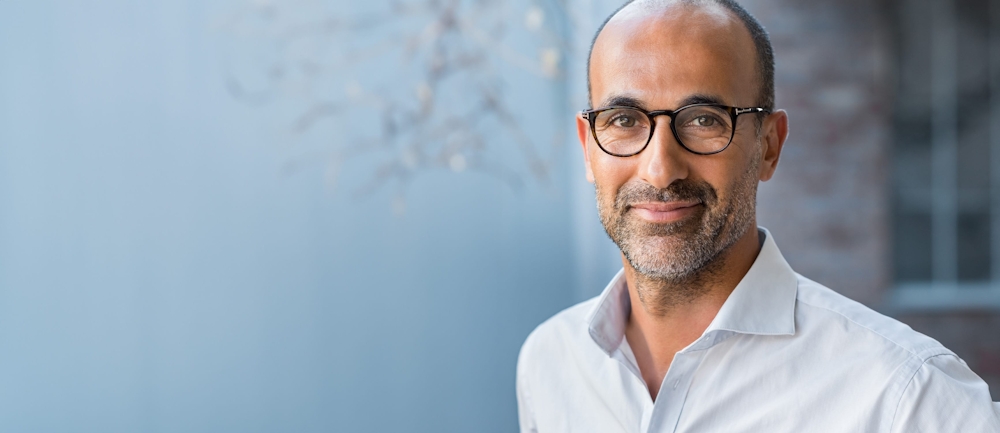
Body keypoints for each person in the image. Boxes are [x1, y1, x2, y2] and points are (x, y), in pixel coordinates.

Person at [514, 0, 1000, 431]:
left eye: (704, 120)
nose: (660, 171)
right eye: (624, 121)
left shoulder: (909, 397)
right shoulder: (552, 362)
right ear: (587, 148)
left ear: (769, 145)